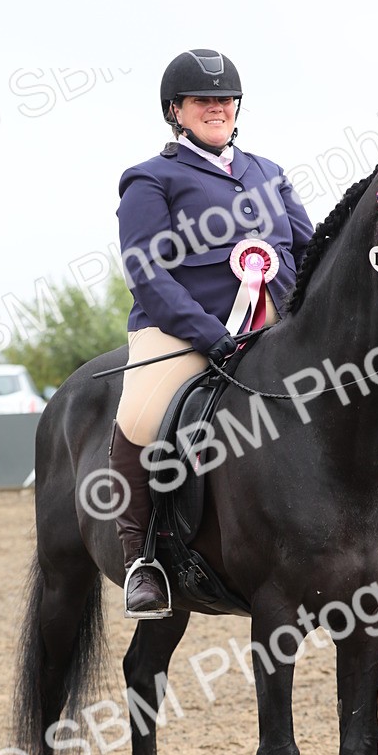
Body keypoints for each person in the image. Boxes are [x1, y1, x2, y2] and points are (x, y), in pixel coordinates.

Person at [111, 48, 314, 618]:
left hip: (274, 325)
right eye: (204, 100)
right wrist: (207, 334)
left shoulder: (268, 173)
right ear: (176, 110)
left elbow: (309, 247)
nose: (217, 108)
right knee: (144, 416)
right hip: (182, 332)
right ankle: (142, 558)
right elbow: (146, 272)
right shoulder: (151, 179)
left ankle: (367, 534)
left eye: (225, 99)